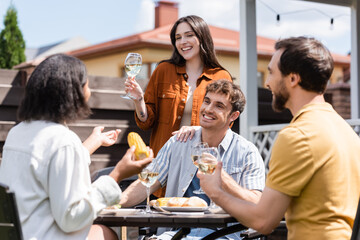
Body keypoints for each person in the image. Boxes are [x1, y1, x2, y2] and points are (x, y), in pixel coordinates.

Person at [198, 37, 360, 240]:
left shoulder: (297, 136)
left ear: (293, 79)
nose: (267, 82)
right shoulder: (347, 132)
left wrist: (215, 192)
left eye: (272, 72)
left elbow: (263, 221)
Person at [0, 54, 153, 240]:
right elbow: (71, 218)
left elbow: (52, 166)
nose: (89, 89)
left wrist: (94, 141)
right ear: (73, 93)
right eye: (86, 84)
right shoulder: (63, 140)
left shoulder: (18, 133)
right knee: (106, 234)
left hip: (21, 233)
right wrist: (117, 175)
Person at [120, 80, 265, 240]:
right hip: (176, 234)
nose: (208, 109)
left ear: (233, 116)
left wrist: (222, 177)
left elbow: (258, 203)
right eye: (207, 101)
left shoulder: (246, 152)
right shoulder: (179, 142)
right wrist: (115, 202)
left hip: (225, 236)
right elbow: (147, 181)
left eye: (219, 106)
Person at [125, 15, 232, 157]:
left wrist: (197, 130)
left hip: (200, 161)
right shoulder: (163, 70)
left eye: (189, 35)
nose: (183, 42)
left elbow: (225, 124)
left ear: (202, 38)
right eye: (178, 37)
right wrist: (139, 100)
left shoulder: (221, 77)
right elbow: (146, 123)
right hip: (164, 160)